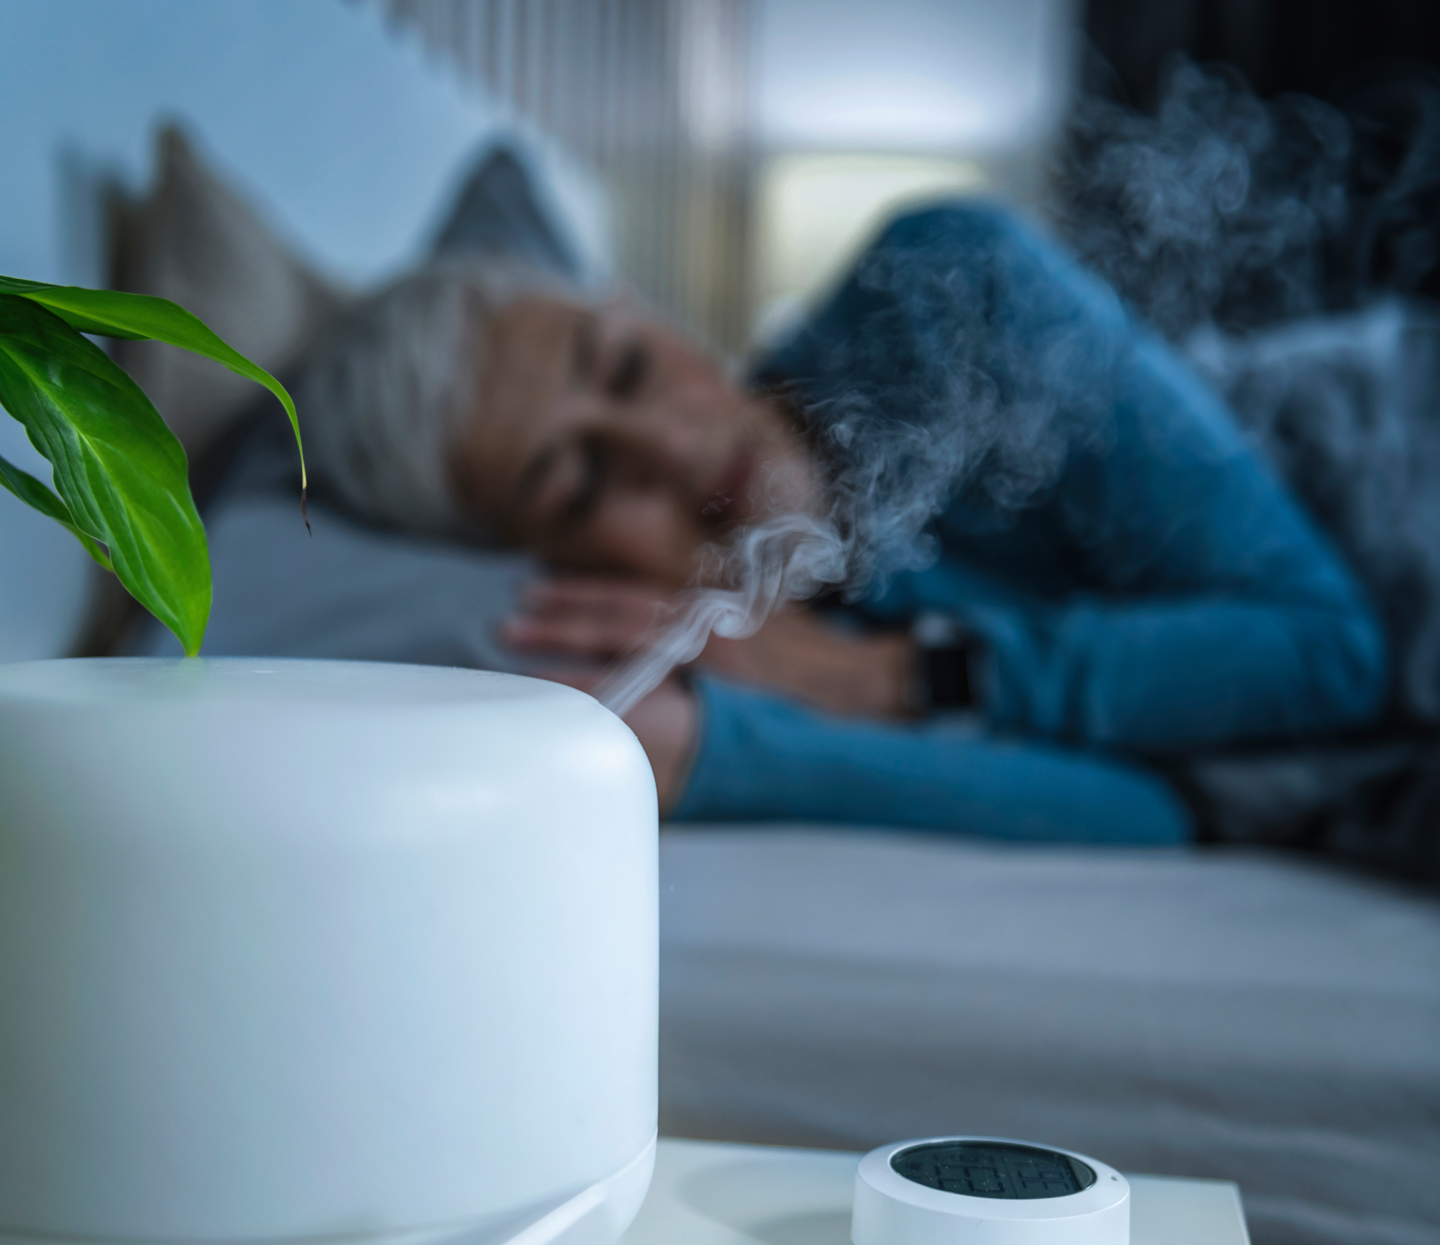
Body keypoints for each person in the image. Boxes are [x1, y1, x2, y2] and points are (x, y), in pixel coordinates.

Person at [292, 202, 1388, 844]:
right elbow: (1158, 816)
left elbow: (1330, 653)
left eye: (627, 368)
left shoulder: (952, 291)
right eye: (580, 485)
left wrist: (893, 681)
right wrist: (711, 754)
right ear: (544, 557)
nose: (673, 449)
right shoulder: (740, 652)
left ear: (647, 312)